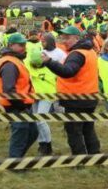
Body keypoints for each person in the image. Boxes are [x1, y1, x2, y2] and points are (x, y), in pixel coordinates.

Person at [42, 26, 101, 155]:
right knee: (88, 128)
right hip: (90, 96)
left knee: (74, 131)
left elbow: (67, 71)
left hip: (76, 99)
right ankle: (94, 154)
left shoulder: (77, 54)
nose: (64, 41)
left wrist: (49, 62)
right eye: (63, 38)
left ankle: (79, 158)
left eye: (67, 38)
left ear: (77, 38)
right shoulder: (90, 51)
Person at [0, 33, 39, 159]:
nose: (24, 47)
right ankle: (14, 163)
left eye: (24, 44)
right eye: (20, 45)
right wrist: (20, 105)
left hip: (23, 104)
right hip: (16, 105)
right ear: (11, 45)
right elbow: (9, 90)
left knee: (32, 133)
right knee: (20, 135)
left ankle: (17, 159)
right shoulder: (10, 64)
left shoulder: (16, 60)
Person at [26, 31, 63, 155]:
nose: (36, 66)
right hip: (34, 95)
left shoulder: (51, 66)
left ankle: (47, 145)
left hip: (47, 95)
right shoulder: (30, 64)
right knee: (36, 120)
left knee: (41, 119)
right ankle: (42, 144)